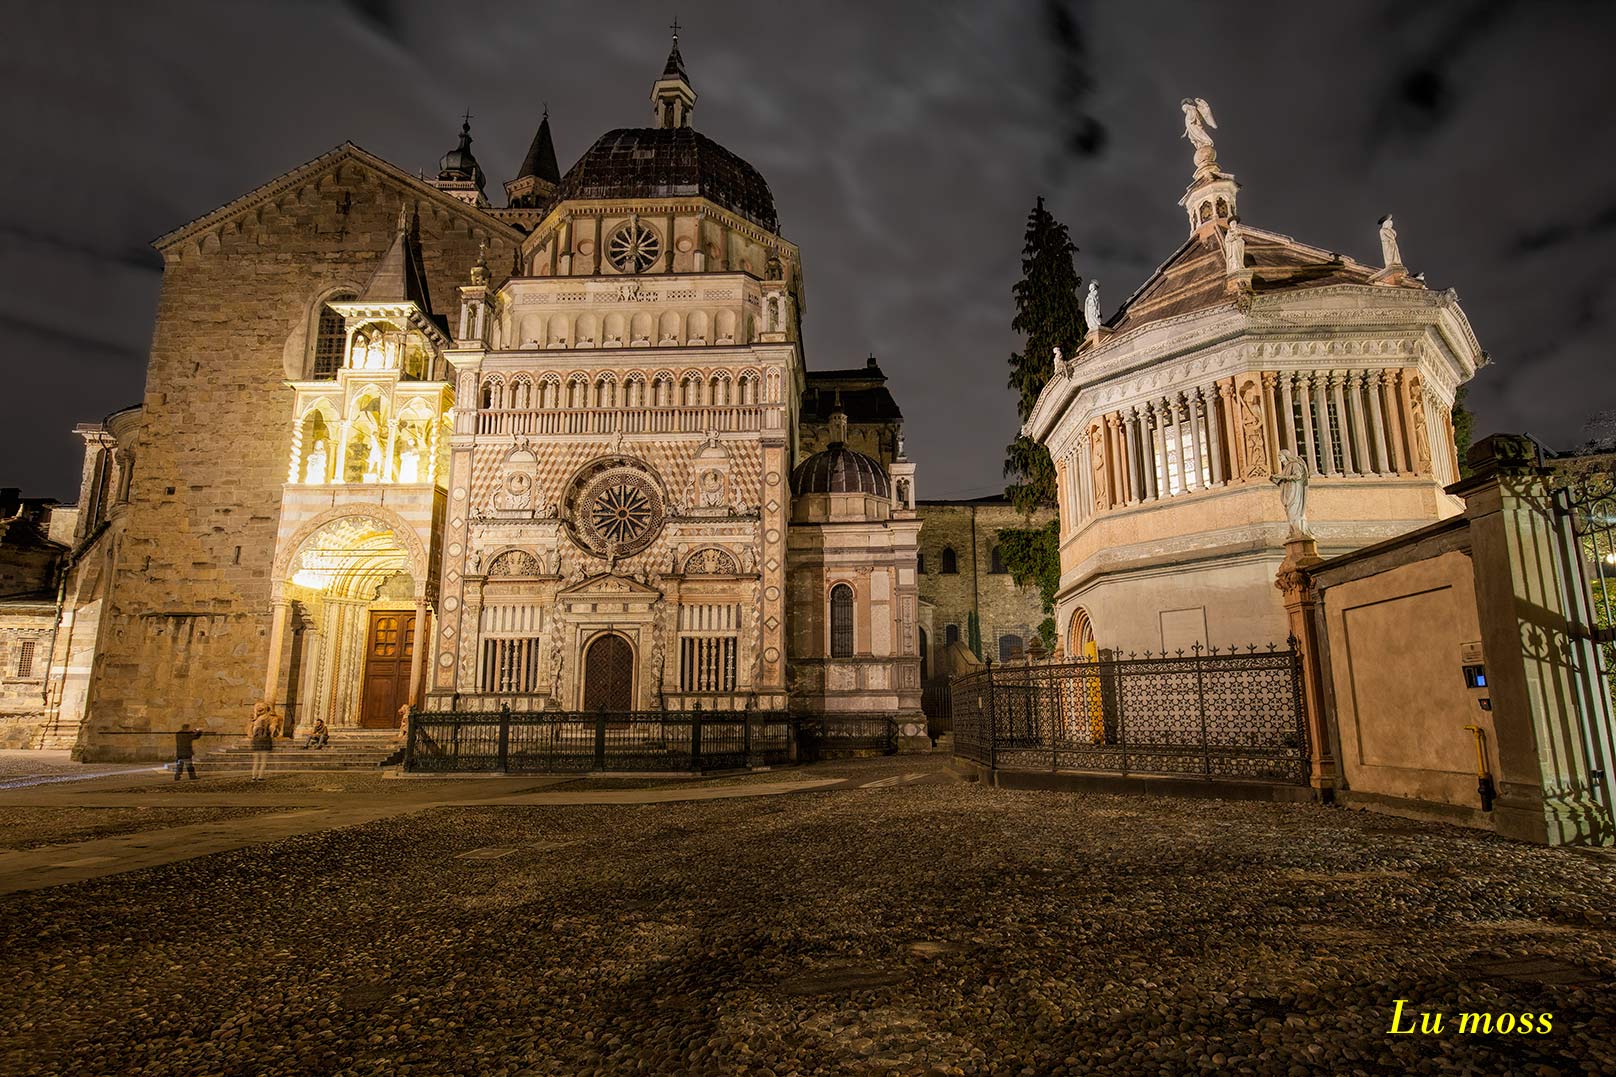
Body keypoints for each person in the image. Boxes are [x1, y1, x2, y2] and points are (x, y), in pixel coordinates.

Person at [249, 702, 276, 782]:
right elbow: (272, 729)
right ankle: (260, 776)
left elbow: (252, 732)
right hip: (265, 741)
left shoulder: (255, 719)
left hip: (257, 741)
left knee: (256, 760)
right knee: (263, 760)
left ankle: (254, 776)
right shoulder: (270, 718)